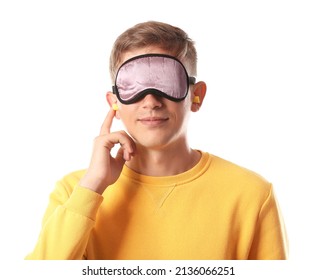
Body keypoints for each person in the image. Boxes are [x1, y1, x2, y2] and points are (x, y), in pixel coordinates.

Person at [25, 21, 288, 260]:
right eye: (133, 87)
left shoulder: (252, 194)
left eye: (166, 83)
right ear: (114, 102)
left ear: (196, 95)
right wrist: (92, 187)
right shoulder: (74, 192)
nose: (150, 101)